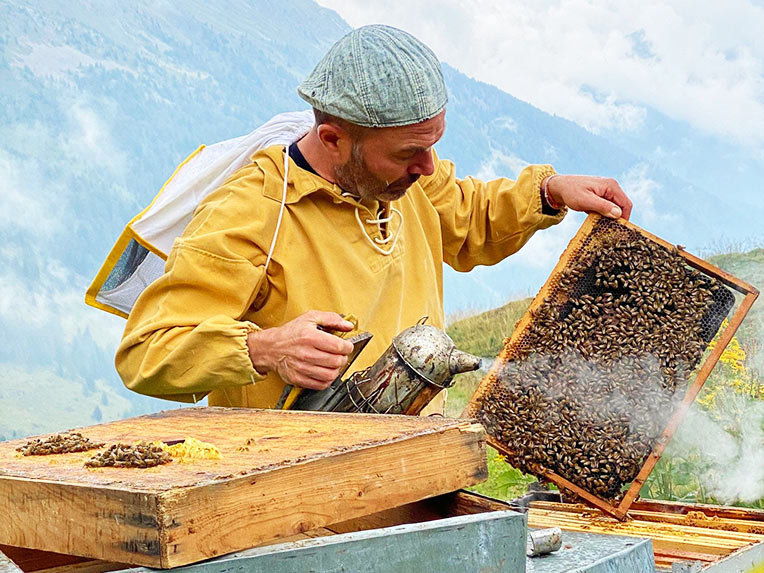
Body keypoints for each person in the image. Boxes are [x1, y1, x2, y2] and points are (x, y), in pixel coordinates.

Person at [116, 25, 632, 410]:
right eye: (409, 152)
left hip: (415, 468)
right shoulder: (249, 213)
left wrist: (548, 192)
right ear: (335, 139)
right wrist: (265, 347)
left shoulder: (411, 177)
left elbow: (469, 217)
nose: (427, 167)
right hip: (295, 498)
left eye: (433, 145)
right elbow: (146, 352)